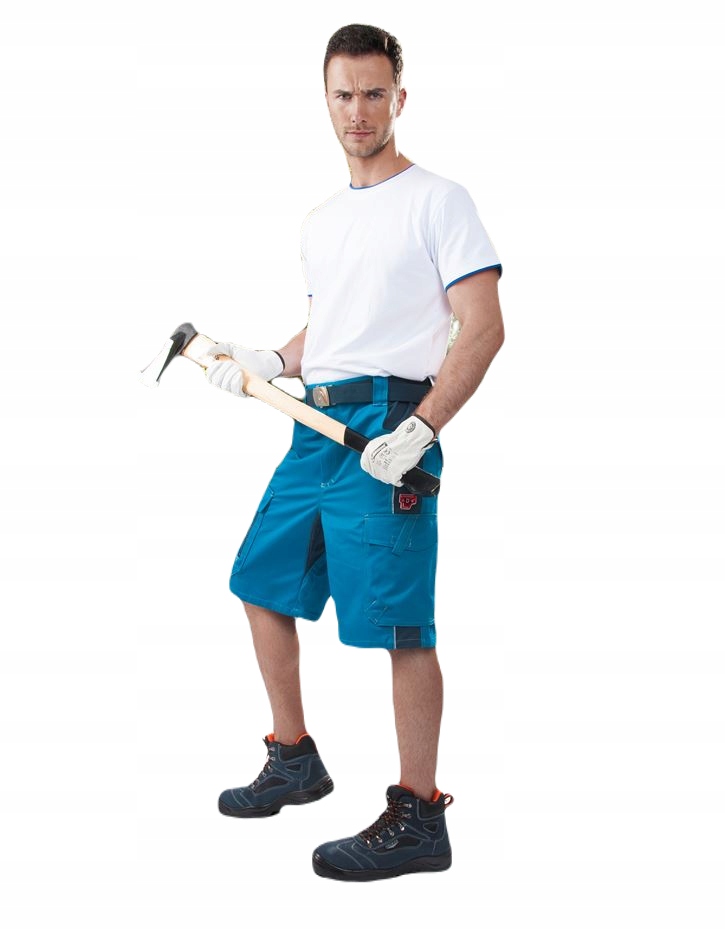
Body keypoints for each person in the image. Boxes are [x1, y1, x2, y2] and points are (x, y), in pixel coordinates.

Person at [206, 23, 504, 882]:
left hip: (389, 422)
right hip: (315, 423)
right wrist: (271, 360)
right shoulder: (322, 219)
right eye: (344, 94)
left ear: (399, 98)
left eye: (375, 93)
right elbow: (335, 326)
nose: (359, 111)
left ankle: (418, 815)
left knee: (399, 624)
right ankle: (294, 759)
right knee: (259, 580)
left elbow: (483, 327)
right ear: (326, 99)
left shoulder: (439, 201)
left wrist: (424, 428)